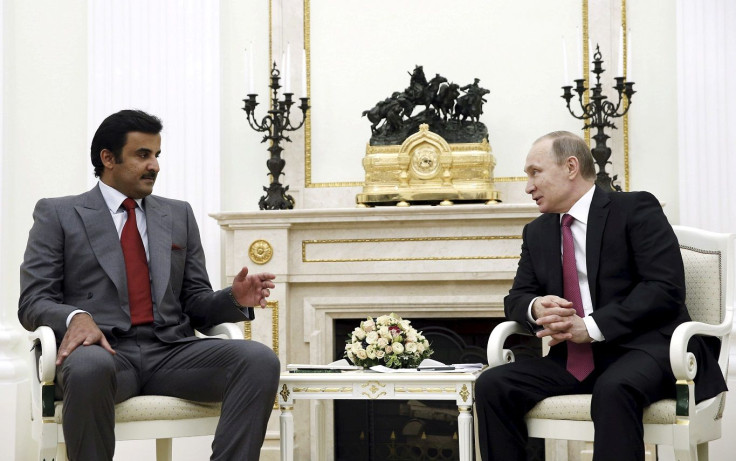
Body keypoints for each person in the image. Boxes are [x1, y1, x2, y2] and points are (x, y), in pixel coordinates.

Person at [18, 109, 280, 461]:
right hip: (105, 353)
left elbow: (196, 303)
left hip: (172, 353)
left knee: (259, 359)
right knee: (88, 367)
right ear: (108, 158)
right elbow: (33, 301)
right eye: (143, 155)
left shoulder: (177, 215)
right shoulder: (58, 214)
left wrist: (233, 298)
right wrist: (76, 316)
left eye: (157, 155)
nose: (154, 165)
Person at [475, 131, 726, 461]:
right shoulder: (537, 232)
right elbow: (517, 297)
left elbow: (664, 288)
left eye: (535, 172)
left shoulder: (635, 208)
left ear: (570, 166)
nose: (528, 186)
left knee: (613, 388)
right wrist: (537, 308)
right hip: (574, 361)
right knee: (492, 385)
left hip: (650, 349)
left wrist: (591, 327)